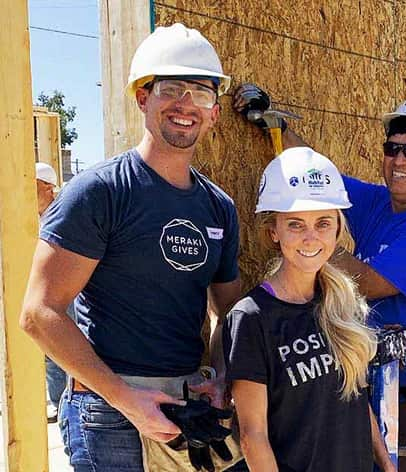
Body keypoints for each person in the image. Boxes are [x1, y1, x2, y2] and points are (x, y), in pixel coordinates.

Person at [21, 23, 247, 471]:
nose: (186, 105)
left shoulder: (218, 207)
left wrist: (221, 375)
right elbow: (39, 314)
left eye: (200, 93)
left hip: (182, 405)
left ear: (215, 112)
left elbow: (228, 308)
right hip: (109, 413)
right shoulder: (100, 192)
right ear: (143, 97)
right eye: (171, 89)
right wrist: (126, 400)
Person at [234, 87, 406, 470]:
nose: (399, 159)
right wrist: (277, 128)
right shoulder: (376, 202)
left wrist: (307, 240)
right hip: (368, 389)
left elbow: (366, 283)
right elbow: (319, 182)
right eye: (392, 148)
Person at [225, 147, 394, 471]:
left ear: (337, 229)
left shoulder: (343, 302)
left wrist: (385, 463)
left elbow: (355, 400)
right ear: (274, 230)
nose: (311, 238)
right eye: (295, 225)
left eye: (323, 223)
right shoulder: (252, 318)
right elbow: (253, 435)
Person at [35, 162, 69, 422]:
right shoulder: (24, 218)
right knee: (48, 352)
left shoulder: (62, 214)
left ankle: (63, 403)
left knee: (63, 348)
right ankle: (58, 400)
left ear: (47, 188)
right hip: (38, 290)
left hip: (66, 290)